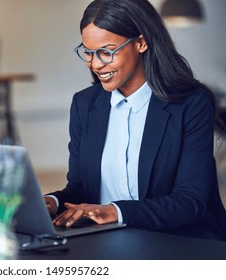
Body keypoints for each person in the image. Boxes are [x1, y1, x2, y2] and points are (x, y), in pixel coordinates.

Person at [44, 0, 226, 241]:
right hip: (108, 240)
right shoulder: (85, 104)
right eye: (88, 52)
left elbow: (189, 201)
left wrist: (115, 211)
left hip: (177, 240)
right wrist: (53, 202)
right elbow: (80, 187)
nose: (96, 64)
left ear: (141, 43)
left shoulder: (191, 103)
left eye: (107, 52)